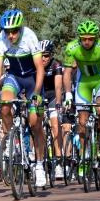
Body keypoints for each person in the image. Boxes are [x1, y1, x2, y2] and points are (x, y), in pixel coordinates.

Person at [0, 9, 47, 187]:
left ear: (20, 29)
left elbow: (40, 68)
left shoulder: (30, 36)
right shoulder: (0, 38)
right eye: (7, 31)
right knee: (4, 104)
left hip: (32, 78)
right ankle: (11, 140)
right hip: (14, 76)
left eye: (14, 31)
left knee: (35, 123)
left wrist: (36, 92)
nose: (11, 35)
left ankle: (40, 165)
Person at [62, 20, 100, 173]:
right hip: (83, 83)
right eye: (84, 38)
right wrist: (67, 94)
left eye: (90, 38)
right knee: (82, 122)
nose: (87, 42)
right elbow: (66, 73)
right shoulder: (72, 47)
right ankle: (84, 155)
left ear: (96, 38)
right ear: (79, 38)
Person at [40, 39, 64, 179]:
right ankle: (35, 157)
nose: (44, 58)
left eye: (46, 55)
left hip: (52, 96)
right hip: (40, 97)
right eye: (41, 55)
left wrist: (58, 102)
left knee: (55, 125)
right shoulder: (35, 64)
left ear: (51, 55)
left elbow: (58, 87)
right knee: (35, 124)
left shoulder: (56, 65)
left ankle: (59, 163)